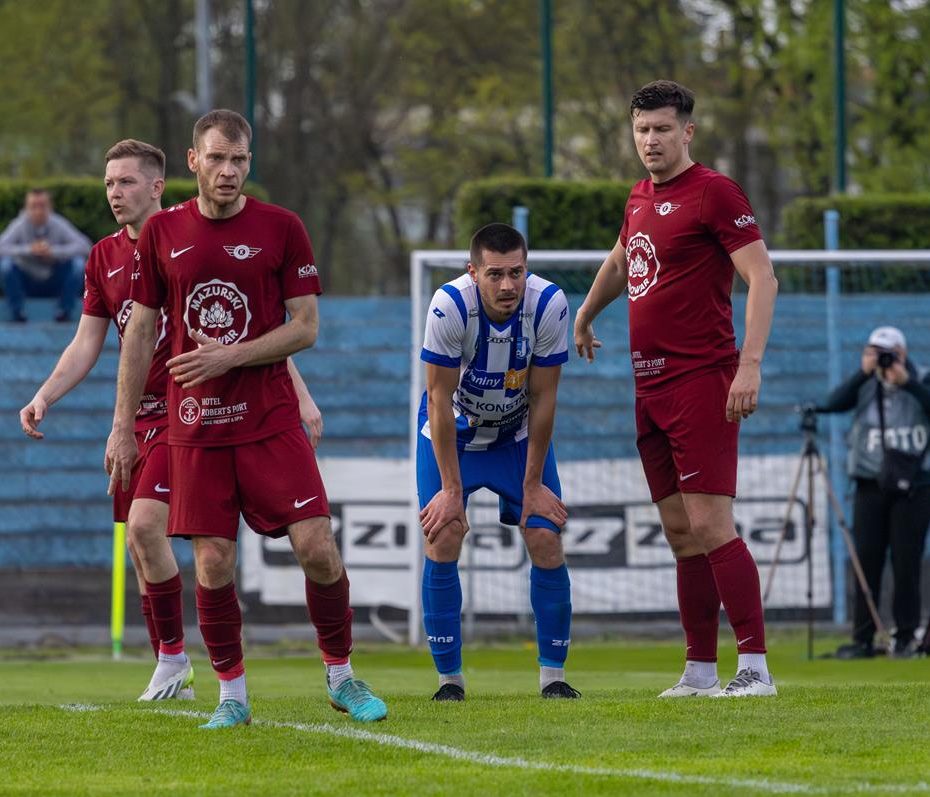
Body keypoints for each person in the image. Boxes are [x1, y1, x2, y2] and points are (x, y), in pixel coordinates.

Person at [106, 109, 385, 729]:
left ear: (249, 162)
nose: (228, 170)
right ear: (193, 161)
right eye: (217, 158)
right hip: (196, 425)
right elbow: (141, 331)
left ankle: (342, 676)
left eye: (238, 160)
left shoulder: (282, 227)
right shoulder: (162, 232)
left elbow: (305, 327)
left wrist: (231, 355)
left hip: (269, 417)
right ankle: (232, 695)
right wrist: (123, 426)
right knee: (213, 562)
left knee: (317, 545)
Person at [18, 140, 326, 701]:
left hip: (188, 414)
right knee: (140, 546)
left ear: (158, 186)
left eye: (126, 182)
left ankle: (175, 660)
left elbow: (250, 327)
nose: (114, 193)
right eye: (109, 184)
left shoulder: (192, 237)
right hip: (138, 418)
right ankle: (173, 662)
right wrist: (45, 395)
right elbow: (88, 342)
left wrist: (300, 396)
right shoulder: (103, 257)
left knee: (145, 527)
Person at [574, 80, 779, 698]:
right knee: (679, 532)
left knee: (712, 525)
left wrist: (749, 365)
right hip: (650, 385)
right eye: (642, 130)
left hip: (702, 380)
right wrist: (586, 313)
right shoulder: (639, 195)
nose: (651, 140)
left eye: (662, 128)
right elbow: (621, 261)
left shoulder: (715, 192)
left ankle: (755, 668)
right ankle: (699, 671)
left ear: (687, 131)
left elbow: (762, 278)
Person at [418, 222, 576, 701]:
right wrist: (451, 490)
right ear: (473, 272)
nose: (508, 285)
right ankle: (449, 681)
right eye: (495, 274)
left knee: (545, 534)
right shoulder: (449, 306)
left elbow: (545, 398)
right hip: (455, 436)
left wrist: (532, 485)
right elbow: (437, 400)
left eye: (516, 273)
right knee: (444, 533)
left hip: (516, 437)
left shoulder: (549, 304)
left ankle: (553, 678)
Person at [817, 326, 930, 660]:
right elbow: (832, 403)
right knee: (867, 561)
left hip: (915, 485)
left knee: (907, 562)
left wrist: (906, 381)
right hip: (870, 483)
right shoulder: (864, 383)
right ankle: (863, 638)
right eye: (875, 352)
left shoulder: (923, 376)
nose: (883, 359)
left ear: (902, 353)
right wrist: (863, 372)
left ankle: (905, 637)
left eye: (888, 353)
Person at [0, 188, 91, 322]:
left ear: (50, 207)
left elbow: (85, 246)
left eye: (42, 206)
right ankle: (17, 311)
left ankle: (65, 311)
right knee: (6, 265)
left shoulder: (58, 223)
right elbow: (1, 247)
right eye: (33, 206)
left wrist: (53, 252)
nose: (38, 211)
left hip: (54, 280)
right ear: (26, 208)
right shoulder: (18, 224)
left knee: (78, 263)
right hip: (26, 282)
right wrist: (29, 250)